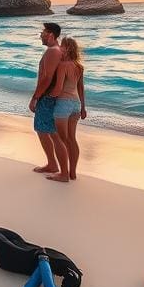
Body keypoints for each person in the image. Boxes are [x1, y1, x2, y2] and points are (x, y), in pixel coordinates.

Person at [29, 21, 69, 180]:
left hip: (48, 97)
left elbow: (47, 77)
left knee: (52, 133)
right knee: (43, 130)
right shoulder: (57, 50)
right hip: (51, 96)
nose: (41, 35)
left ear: (51, 35)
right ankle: (52, 164)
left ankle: (62, 172)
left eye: (43, 33)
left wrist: (36, 97)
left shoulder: (53, 51)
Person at [50, 37, 86, 181]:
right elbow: (81, 88)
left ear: (67, 48)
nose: (59, 48)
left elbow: (58, 89)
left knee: (60, 139)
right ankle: (73, 173)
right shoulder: (79, 66)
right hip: (76, 105)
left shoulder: (63, 66)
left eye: (61, 46)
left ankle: (63, 175)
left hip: (63, 104)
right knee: (72, 139)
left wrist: (44, 98)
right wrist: (83, 107)